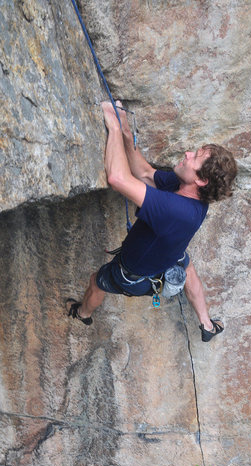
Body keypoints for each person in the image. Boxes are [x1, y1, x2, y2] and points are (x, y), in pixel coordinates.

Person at [66, 101, 237, 341]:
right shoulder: (191, 195)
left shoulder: (175, 209)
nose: (187, 154)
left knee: (97, 281)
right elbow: (144, 172)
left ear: (201, 181)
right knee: (187, 267)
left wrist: (113, 128)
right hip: (169, 255)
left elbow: (117, 178)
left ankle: (83, 313)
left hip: (133, 275)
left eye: (195, 157)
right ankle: (206, 324)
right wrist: (126, 129)